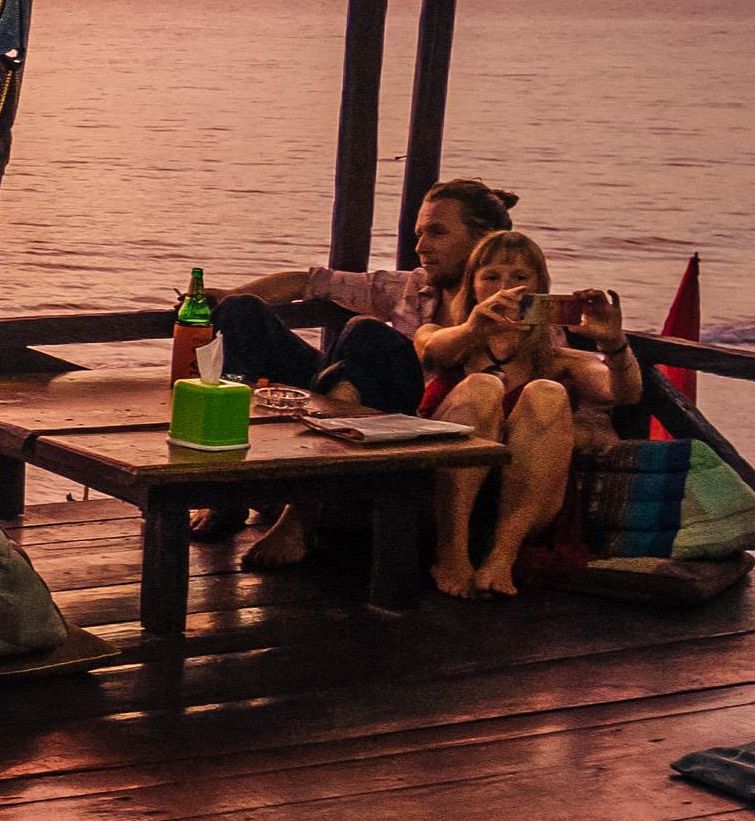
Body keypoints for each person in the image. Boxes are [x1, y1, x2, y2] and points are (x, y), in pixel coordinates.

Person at [194, 177, 521, 564]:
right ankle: (224, 492)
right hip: (353, 406)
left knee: (365, 333)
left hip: (413, 425)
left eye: (437, 232)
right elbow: (311, 281)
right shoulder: (413, 287)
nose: (421, 247)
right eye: (419, 233)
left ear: (485, 239)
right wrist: (225, 296)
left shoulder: (516, 306)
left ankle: (300, 515)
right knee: (241, 311)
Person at [418, 229, 639, 600]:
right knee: (482, 387)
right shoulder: (442, 336)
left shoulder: (557, 359)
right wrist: (474, 329)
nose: (506, 289)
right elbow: (431, 352)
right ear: (472, 288)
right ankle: (451, 554)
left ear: (540, 289)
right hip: (444, 494)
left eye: (520, 278)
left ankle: (502, 556)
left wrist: (612, 343)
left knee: (547, 392)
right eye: (491, 277)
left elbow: (625, 392)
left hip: (525, 503)